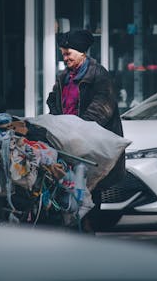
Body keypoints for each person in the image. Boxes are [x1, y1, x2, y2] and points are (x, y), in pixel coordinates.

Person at [46, 29, 125, 233]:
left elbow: (102, 108)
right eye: (62, 54)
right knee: (69, 187)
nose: (65, 58)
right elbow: (53, 100)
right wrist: (57, 122)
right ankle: (74, 230)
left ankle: (88, 233)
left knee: (90, 188)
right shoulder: (64, 77)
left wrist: (79, 130)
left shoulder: (99, 75)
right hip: (69, 141)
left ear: (82, 52)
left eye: (68, 53)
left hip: (89, 142)